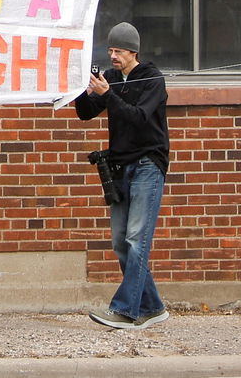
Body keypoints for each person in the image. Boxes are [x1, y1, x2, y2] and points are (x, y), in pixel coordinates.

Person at [74, 21, 169, 331]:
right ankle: (153, 307)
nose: (113, 56)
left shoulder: (152, 79)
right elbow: (87, 113)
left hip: (147, 165)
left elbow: (140, 118)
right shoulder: (112, 78)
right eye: (110, 50)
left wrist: (109, 95)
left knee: (137, 238)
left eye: (118, 51)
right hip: (119, 167)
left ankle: (126, 311)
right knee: (120, 241)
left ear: (133, 51)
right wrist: (82, 91)